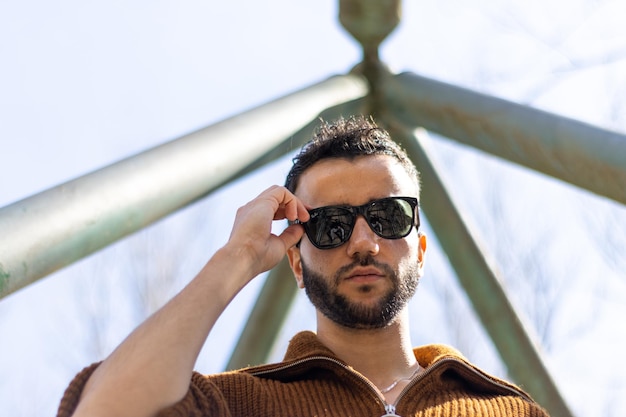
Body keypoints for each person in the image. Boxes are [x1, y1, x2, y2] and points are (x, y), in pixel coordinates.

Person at [57, 115, 549, 417]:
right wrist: (237, 259)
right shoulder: (237, 405)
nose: (363, 242)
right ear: (295, 260)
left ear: (419, 249)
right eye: (332, 225)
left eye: (386, 217)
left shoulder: (508, 410)